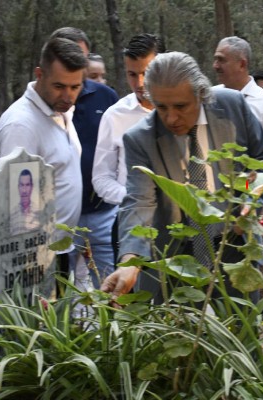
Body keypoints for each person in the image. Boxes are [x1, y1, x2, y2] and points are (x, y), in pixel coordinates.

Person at [100, 51, 263, 303]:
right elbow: (139, 202)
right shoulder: (140, 139)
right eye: (161, 107)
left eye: (181, 106)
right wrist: (131, 262)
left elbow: (262, 159)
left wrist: (249, 197)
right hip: (173, 259)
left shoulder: (233, 106)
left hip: (235, 248)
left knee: (241, 337)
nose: (171, 118)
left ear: (201, 94)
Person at [213, 37, 263, 322]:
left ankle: (261, 304)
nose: (215, 65)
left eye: (222, 59)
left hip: (251, 191)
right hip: (217, 195)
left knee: (256, 253)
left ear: (242, 63)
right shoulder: (210, 97)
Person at [0, 37, 87, 282]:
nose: (68, 96)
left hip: (60, 248)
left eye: (75, 87)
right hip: (35, 256)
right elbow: (17, 204)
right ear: (39, 74)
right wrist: (33, 262)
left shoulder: (60, 111)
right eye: (59, 86)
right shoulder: (21, 124)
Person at [49, 27, 119, 288]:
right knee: (56, 288)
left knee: (108, 287)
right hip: (57, 217)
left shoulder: (106, 97)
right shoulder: (44, 103)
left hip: (100, 212)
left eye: (81, 56)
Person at [92, 33, 165, 267]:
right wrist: (134, 199)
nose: (140, 82)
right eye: (132, 74)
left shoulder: (185, 111)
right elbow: (101, 177)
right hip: (129, 225)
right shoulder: (115, 115)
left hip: (177, 227)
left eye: (146, 72)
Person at [10, 168, 41, 235]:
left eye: (27, 185)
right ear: (18, 187)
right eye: (22, 185)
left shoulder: (39, 212)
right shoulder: (11, 215)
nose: (24, 191)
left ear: (32, 187)